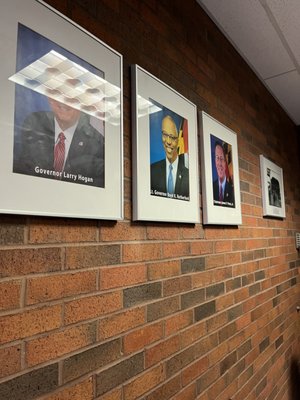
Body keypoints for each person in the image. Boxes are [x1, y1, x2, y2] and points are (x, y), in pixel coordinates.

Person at [13, 97, 104, 187]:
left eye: (72, 96)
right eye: (58, 93)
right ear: (50, 99)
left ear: (82, 103)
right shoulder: (34, 124)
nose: (64, 101)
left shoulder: (97, 143)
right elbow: (25, 170)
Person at [151, 115, 189, 200]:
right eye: (165, 134)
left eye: (172, 137)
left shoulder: (188, 176)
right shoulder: (152, 171)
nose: (168, 141)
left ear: (178, 141)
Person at [212, 140, 234, 207]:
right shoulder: (211, 187)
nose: (219, 163)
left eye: (221, 158)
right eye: (217, 158)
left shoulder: (232, 190)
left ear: (226, 162)